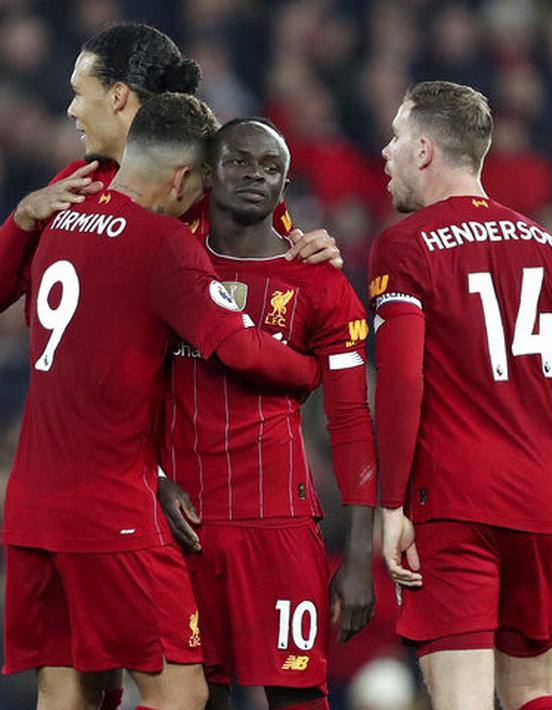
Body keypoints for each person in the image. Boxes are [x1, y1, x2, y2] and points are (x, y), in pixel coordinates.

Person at [0, 92, 322, 710]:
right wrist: (309, 367)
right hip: (112, 509)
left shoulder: (64, 214)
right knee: (181, 693)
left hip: (31, 503)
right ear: (185, 177)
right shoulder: (163, 242)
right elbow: (238, 348)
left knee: (67, 688)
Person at [370, 81, 552, 710]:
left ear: (425, 150)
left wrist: (391, 502)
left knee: (464, 700)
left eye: (397, 136)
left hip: (453, 501)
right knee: (534, 693)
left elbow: (400, 380)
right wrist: (551, 461)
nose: (386, 151)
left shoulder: (403, 245)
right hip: (538, 502)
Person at [158, 119, 377, 710]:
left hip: (278, 529)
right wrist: (150, 479)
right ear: (208, 173)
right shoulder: (164, 267)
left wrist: (359, 556)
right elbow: (118, 389)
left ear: (285, 186)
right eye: (239, 161)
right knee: (190, 697)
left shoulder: (320, 285)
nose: (255, 174)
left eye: (271, 167)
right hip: (184, 528)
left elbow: (354, 424)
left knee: (297, 699)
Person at [0, 22, 340, 326]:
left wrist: (315, 263)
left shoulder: (219, 184)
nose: (71, 110)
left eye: (79, 92)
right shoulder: (77, 183)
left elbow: (291, 285)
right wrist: (22, 217)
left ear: (118, 97)